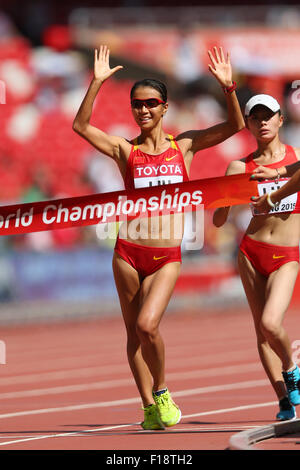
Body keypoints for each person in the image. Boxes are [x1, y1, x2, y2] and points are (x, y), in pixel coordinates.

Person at [73, 44, 244, 430]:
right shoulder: (124, 150)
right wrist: (96, 84)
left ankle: (162, 389)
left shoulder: (183, 147)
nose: (143, 110)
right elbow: (81, 128)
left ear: (165, 107)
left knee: (148, 326)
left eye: (151, 103)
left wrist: (228, 87)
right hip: (127, 252)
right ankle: (148, 406)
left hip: (166, 254)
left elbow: (236, 127)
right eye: (137, 104)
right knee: (133, 333)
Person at [213, 93, 300, 421]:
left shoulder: (296, 157)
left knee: (270, 323)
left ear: (281, 119)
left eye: (268, 115)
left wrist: (274, 191)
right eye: (255, 117)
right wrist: (227, 195)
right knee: (260, 330)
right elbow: (219, 220)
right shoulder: (239, 166)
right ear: (248, 124)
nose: (262, 122)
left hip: (287, 254)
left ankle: (290, 367)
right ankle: (283, 402)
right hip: (251, 251)